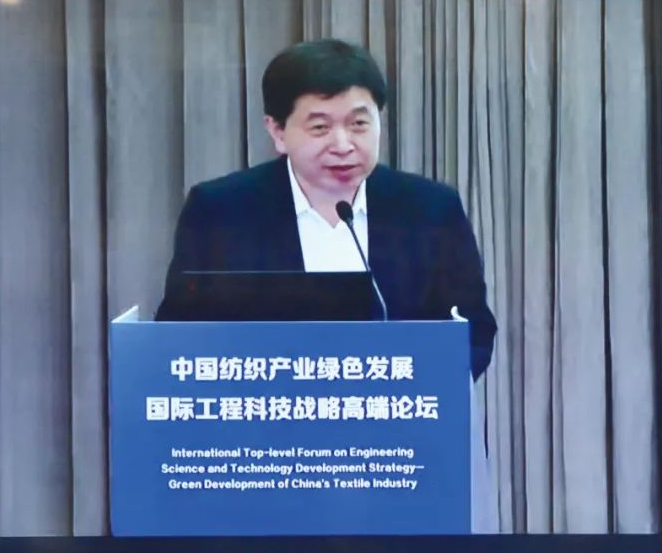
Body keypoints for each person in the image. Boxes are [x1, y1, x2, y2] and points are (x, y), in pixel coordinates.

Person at [155, 38, 497, 381]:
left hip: (396, 407)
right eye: (320, 128)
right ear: (277, 131)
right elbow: (181, 332)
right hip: (265, 409)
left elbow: (474, 329)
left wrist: (424, 385)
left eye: (359, 124)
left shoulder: (431, 209)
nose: (343, 145)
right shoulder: (221, 211)